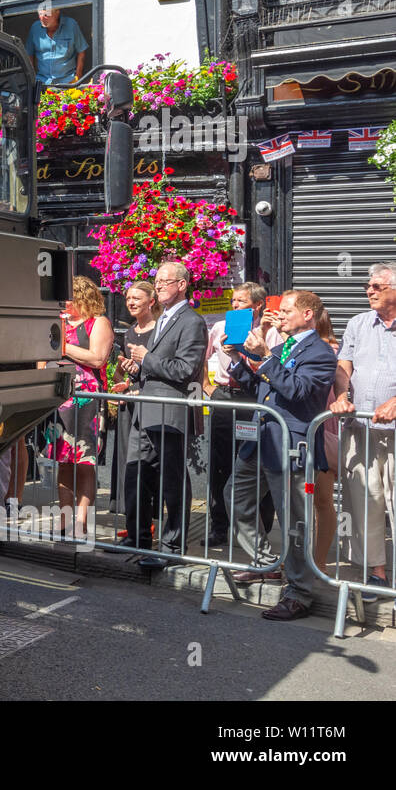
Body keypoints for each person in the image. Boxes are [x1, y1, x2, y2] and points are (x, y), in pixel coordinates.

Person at [225, 289, 337, 620]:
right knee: (235, 495)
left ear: (308, 315)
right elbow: (262, 389)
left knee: (294, 522)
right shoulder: (279, 349)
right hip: (260, 439)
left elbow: (298, 391)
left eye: (287, 310)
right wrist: (237, 360)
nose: (281, 314)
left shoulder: (321, 353)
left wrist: (267, 359)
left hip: (291, 445)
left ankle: (300, 593)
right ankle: (265, 563)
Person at [122, 261, 208, 564]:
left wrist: (147, 359)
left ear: (182, 285)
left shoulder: (192, 322)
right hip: (145, 410)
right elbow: (156, 367)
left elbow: (186, 369)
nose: (157, 286)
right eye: (156, 281)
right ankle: (138, 539)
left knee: (172, 480)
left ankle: (173, 547)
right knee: (136, 475)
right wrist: (137, 369)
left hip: (170, 412)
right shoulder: (162, 319)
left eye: (164, 281)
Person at [330, 261, 396, 601]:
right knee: (365, 499)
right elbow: (344, 364)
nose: (368, 291)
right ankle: (377, 572)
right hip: (361, 427)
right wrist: (342, 394)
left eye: (376, 287)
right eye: (368, 287)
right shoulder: (358, 322)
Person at [204, 283, 280, 545]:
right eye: (233, 300)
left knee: (255, 462)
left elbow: (274, 367)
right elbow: (200, 359)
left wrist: (244, 354)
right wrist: (208, 388)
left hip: (254, 399)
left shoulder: (269, 333)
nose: (235, 305)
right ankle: (219, 527)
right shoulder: (219, 328)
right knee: (220, 464)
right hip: (225, 397)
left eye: (241, 301)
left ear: (257, 305)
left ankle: (258, 529)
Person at [49, 275, 113, 539]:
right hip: (59, 397)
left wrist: (63, 347)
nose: (64, 303)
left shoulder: (98, 323)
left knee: (85, 462)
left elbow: (97, 358)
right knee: (62, 461)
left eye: (68, 298)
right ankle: (64, 520)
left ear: (82, 297)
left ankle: (81, 521)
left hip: (86, 400)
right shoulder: (58, 323)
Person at [110, 281, 158, 532]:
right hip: (132, 402)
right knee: (132, 462)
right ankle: (137, 521)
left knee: (150, 464)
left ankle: (148, 521)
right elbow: (133, 371)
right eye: (128, 298)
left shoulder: (159, 330)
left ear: (152, 301)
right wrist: (125, 381)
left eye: (137, 298)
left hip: (152, 403)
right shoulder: (129, 332)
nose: (130, 302)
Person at [312, 308, 342, 574]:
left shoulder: (330, 351)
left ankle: (319, 561)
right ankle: (302, 558)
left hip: (321, 430)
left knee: (322, 499)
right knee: (302, 502)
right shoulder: (288, 346)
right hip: (299, 432)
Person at [26, 8, 88, 87]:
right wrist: (32, 79)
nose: (42, 18)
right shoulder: (35, 28)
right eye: (40, 14)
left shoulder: (71, 25)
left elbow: (81, 51)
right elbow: (29, 54)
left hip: (68, 82)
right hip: (42, 82)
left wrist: (78, 79)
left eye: (46, 15)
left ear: (57, 13)